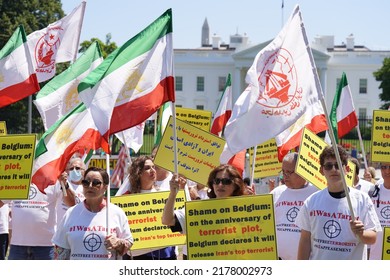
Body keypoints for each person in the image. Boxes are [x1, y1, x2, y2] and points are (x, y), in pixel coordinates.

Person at [296, 145, 381, 260]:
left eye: (338, 165)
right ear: (322, 170)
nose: (333, 169)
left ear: (346, 169)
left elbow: (372, 238)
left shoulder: (362, 200)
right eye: (328, 166)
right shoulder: (311, 202)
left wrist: (361, 233)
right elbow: (305, 240)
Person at [162, 164, 245, 259]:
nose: (220, 185)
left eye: (226, 181)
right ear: (212, 184)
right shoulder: (199, 209)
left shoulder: (244, 210)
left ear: (235, 185)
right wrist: (173, 194)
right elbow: (167, 220)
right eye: (217, 181)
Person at [52, 167, 133, 260]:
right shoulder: (70, 213)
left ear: (105, 187)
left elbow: (129, 242)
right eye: (86, 182)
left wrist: (118, 243)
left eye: (96, 183)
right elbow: (60, 249)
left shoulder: (117, 213)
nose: (90, 186)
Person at [125, 156, 177, 260]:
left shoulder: (165, 193)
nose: (153, 170)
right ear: (138, 172)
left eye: (153, 167)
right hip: (139, 255)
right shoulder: (127, 198)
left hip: (164, 254)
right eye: (147, 168)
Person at [270, 152, 318, 260]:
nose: (284, 176)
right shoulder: (276, 193)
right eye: (283, 172)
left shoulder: (316, 194)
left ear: (302, 171)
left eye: (289, 172)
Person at [3, 182, 63, 260]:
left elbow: (71, 203)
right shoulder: (16, 177)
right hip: (18, 245)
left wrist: (65, 184)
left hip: (46, 246)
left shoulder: (54, 178)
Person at [369, 162, 390, 260]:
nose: (387, 171)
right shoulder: (373, 191)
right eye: (384, 167)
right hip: (375, 251)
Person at [56, 157, 86, 222]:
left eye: (77, 168)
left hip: (78, 226)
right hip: (62, 227)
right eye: (71, 168)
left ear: (84, 171)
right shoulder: (61, 183)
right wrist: (63, 184)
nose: (74, 170)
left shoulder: (87, 188)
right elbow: (66, 196)